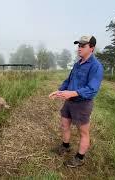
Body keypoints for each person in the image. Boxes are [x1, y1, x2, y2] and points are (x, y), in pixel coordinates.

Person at [49, 35, 103, 168]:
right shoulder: (77, 64)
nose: (79, 48)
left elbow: (92, 89)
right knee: (64, 125)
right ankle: (65, 146)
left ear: (91, 48)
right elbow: (68, 81)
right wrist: (60, 91)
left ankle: (80, 158)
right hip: (69, 102)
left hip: (82, 104)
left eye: (83, 46)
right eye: (78, 45)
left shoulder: (96, 66)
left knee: (83, 132)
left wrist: (72, 93)